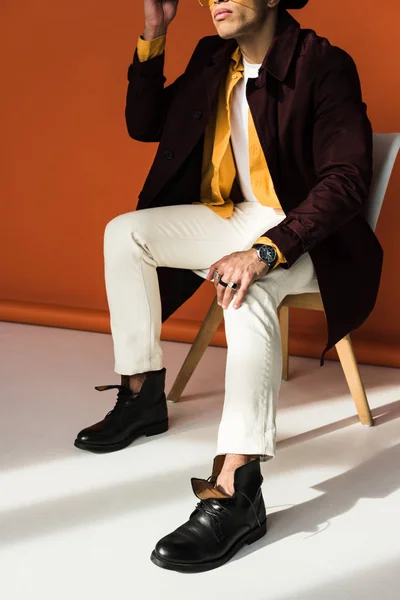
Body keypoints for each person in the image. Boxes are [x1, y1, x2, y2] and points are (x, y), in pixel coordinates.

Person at [74, 0, 383, 572]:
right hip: (234, 213)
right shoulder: (213, 58)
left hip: (310, 234)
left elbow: (346, 180)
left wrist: (266, 250)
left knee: (251, 290)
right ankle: (142, 397)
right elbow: (144, 125)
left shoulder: (323, 64)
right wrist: (152, 35)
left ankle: (237, 489)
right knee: (126, 234)